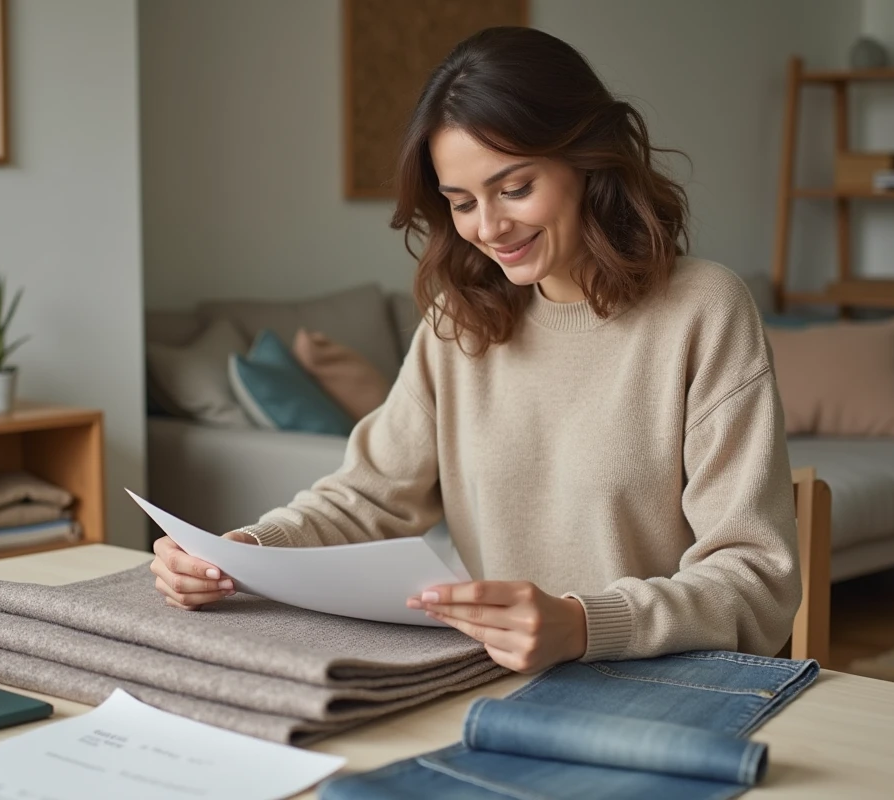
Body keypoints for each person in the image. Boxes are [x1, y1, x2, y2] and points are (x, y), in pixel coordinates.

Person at [150, 26, 801, 675]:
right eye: (462, 203)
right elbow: (369, 498)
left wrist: (581, 624)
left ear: (588, 159)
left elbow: (756, 579)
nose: (489, 228)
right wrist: (242, 551)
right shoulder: (459, 322)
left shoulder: (705, 309)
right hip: (497, 682)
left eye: (514, 188)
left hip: (666, 682)